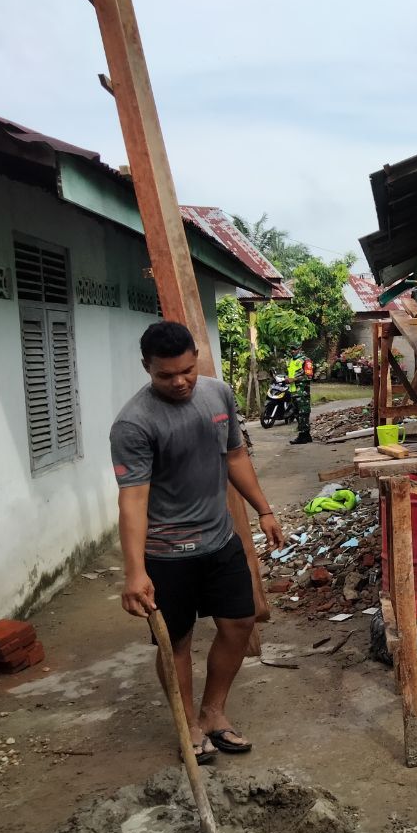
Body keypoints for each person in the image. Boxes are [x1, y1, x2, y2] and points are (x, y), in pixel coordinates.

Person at [110, 322, 284, 762]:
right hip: (167, 553)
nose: (180, 381)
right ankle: (188, 723)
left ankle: (213, 713)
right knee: (178, 642)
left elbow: (235, 456)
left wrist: (264, 509)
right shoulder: (134, 424)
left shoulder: (217, 394)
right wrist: (135, 572)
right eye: (165, 375)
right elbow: (132, 499)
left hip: (219, 537)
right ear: (146, 367)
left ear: (195, 359)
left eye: (187, 370)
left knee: (240, 623)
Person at [286, 344, 314, 445]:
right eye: (291, 349)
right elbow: (291, 374)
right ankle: (306, 435)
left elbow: (309, 376)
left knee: (303, 413)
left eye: (294, 349)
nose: (292, 351)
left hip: (302, 392)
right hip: (293, 391)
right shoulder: (291, 361)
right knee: (297, 414)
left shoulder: (305, 360)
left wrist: (294, 379)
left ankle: (303, 435)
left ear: (300, 349)